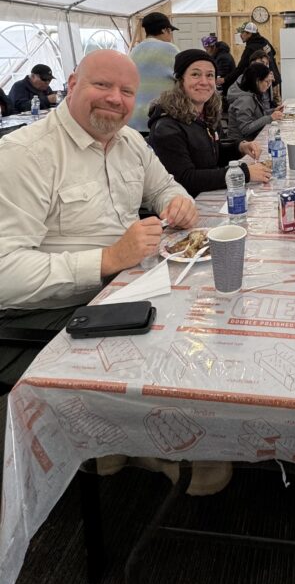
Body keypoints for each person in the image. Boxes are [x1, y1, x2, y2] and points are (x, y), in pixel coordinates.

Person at [0, 50, 197, 385]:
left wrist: (178, 203)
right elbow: (5, 273)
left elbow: (165, 187)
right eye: (102, 84)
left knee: (202, 321)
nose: (114, 99)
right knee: (172, 368)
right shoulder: (25, 155)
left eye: (127, 92)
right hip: (46, 315)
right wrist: (108, 259)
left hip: (126, 289)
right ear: (72, 84)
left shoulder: (130, 142)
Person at [148, 50, 271, 195]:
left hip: (210, 194)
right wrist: (243, 173)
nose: (204, 82)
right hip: (187, 205)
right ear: (180, 80)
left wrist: (240, 147)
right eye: (195, 74)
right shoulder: (166, 126)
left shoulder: (207, 114)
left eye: (210, 75)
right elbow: (185, 179)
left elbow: (212, 153)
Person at [129, 11, 179, 135]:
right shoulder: (170, 50)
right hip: (159, 120)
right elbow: (183, 80)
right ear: (164, 30)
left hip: (133, 119)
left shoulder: (134, 51)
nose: (171, 35)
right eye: (170, 31)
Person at [227, 63, 284, 142]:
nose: (268, 85)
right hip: (240, 146)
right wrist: (270, 118)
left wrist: (273, 111)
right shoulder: (244, 100)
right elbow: (246, 129)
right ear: (257, 81)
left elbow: (256, 115)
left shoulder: (251, 93)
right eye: (266, 81)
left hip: (250, 140)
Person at [222, 22, 281, 93]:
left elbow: (240, 69)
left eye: (242, 33)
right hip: (274, 80)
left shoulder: (250, 48)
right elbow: (273, 52)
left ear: (249, 34)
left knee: (267, 103)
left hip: (265, 84)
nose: (240, 35)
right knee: (275, 103)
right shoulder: (264, 41)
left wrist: (225, 80)